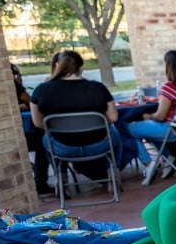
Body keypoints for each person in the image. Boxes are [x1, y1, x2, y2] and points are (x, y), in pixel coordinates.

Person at [29, 50, 122, 184]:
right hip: (98, 144)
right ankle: (112, 174)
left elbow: (38, 123)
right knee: (114, 132)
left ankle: (61, 178)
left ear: (57, 66)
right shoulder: (98, 88)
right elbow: (113, 118)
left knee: (47, 138)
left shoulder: (41, 90)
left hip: (62, 147)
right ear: (81, 67)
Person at [126, 49, 176, 168]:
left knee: (127, 129)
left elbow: (161, 116)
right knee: (145, 130)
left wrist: (146, 116)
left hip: (170, 130)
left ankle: (148, 164)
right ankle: (169, 159)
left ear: (169, 66)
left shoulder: (169, 87)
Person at [13, 63, 52, 194]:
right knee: (44, 139)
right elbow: (30, 102)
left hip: (8, 141)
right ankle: (41, 183)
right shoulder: (14, 85)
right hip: (19, 138)